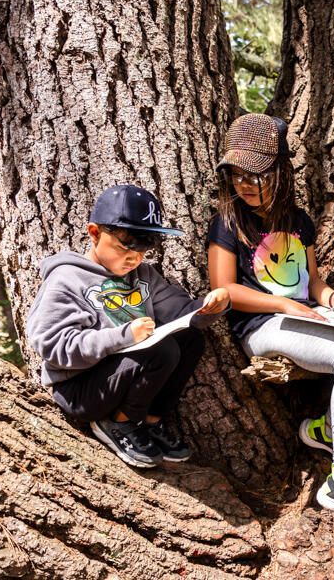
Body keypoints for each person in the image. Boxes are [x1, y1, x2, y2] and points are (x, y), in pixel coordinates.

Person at [207, 113, 334, 530]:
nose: (244, 183)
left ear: (279, 171)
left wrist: (333, 298)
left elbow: (311, 281)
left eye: (254, 174)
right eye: (236, 175)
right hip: (261, 326)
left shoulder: (299, 222)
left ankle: (327, 430)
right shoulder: (228, 222)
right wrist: (283, 307)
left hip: (306, 315)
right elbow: (224, 290)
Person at [25, 185, 230, 468]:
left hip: (122, 377)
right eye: (125, 246)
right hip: (82, 390)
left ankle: (150, 422)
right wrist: (123, 336)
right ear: (95, 233)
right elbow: (52, 345)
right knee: (163, 350)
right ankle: (119, 424)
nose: (134, 258)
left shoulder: (143, 275)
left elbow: (180, 313)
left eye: (144, 249)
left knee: (190, 339)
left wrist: (209, 307)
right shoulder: (67, 279)